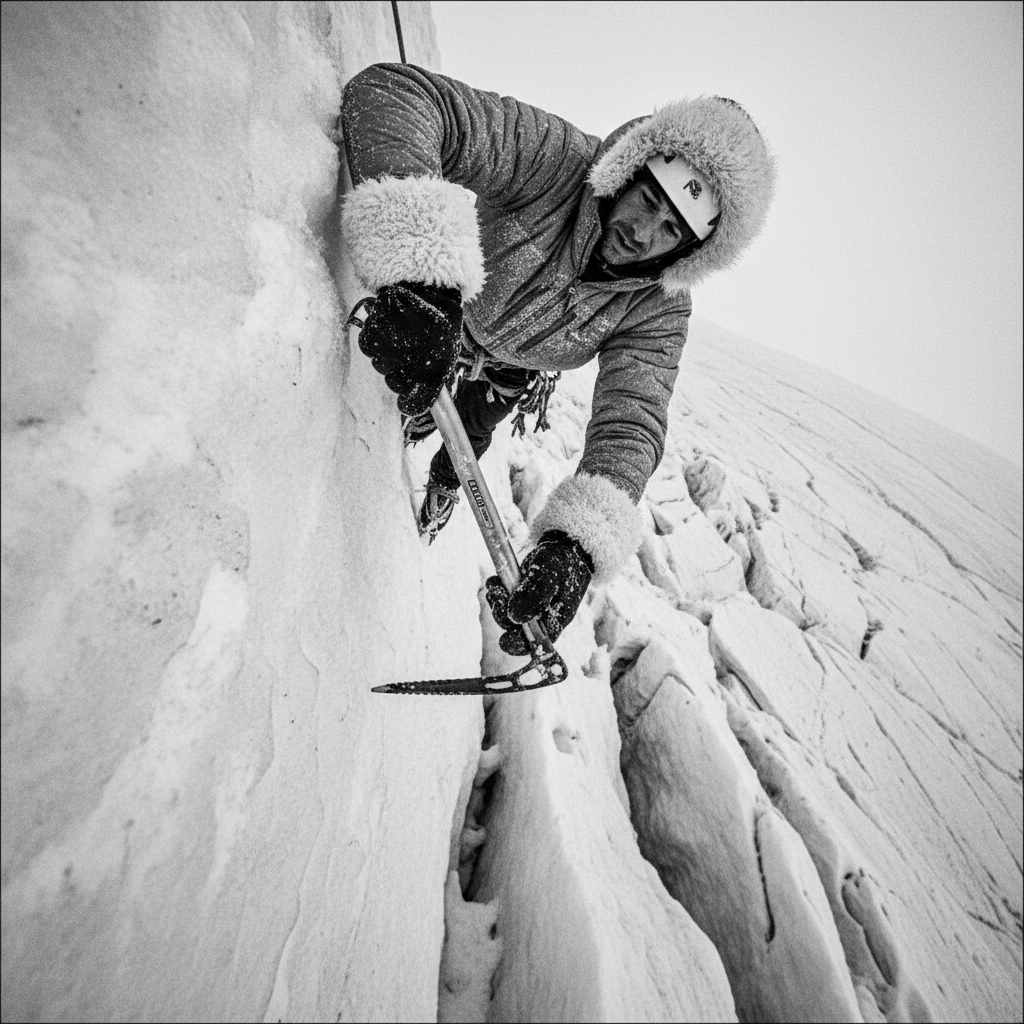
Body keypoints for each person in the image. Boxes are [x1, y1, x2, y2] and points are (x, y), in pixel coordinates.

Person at [340, 63, 775, 657]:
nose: (642, 233)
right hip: (452, 304)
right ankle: (415, 415)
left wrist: (577, 542)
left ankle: (443, 483)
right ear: (626, 172)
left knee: (470, 429)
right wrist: (418, 271)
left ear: (690, 253)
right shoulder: (558, 162)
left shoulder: (658, 309)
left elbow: (632, 418)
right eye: (646, 200)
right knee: (426, 390)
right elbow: (397, 93)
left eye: (670, 228)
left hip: (514, 364)